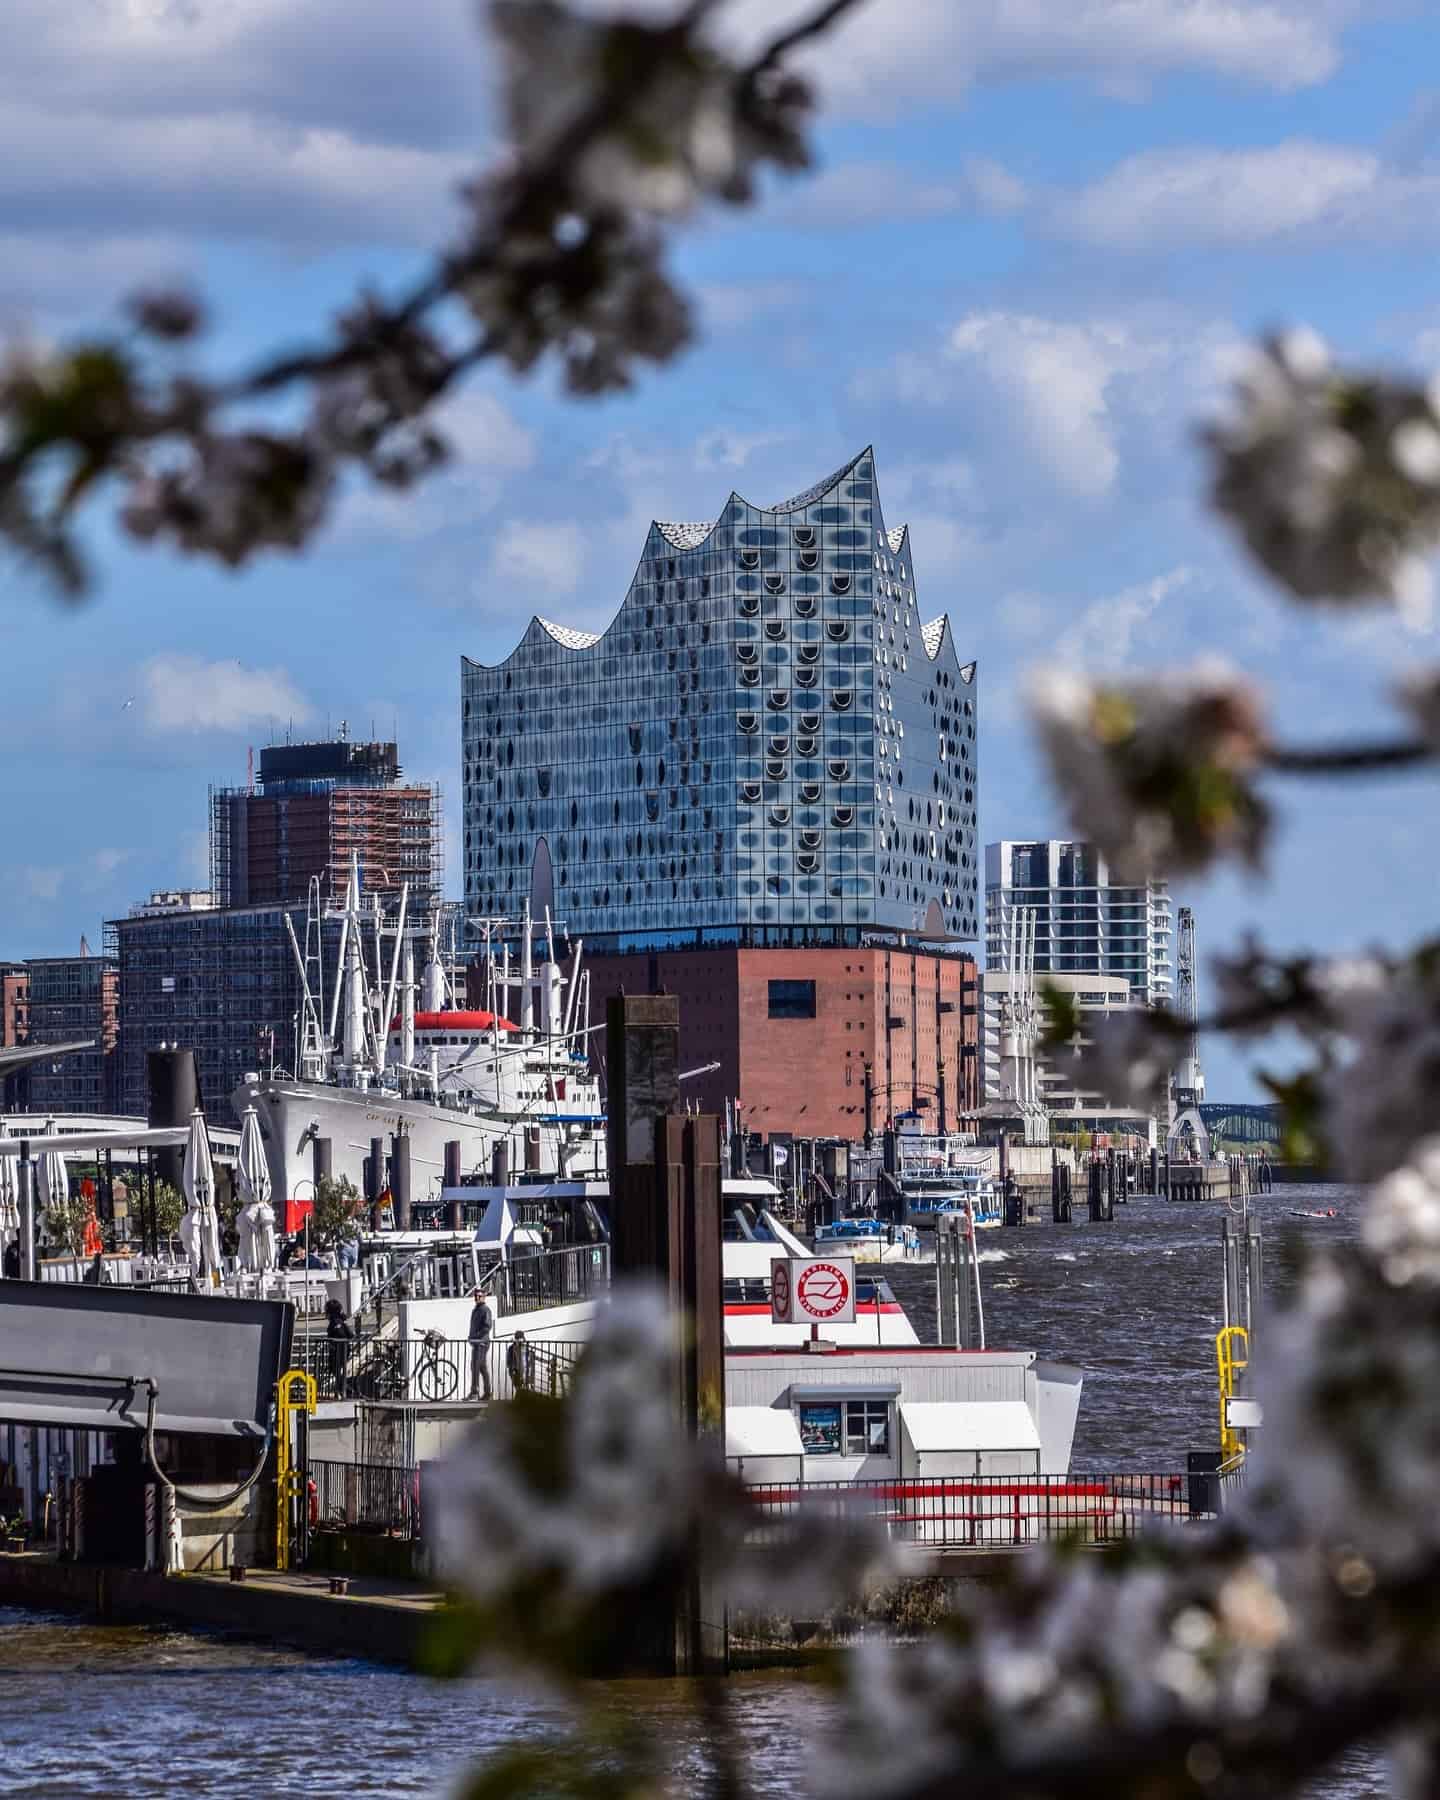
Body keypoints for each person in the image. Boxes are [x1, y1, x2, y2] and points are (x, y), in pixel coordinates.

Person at [467, 1286, 493, 1401]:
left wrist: (475, 1336)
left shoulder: (485, 1310)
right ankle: (487, 1392)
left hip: (481, 1342)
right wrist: (471, 1337)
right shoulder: (476, 1310)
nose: (477, 1298)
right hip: (477, 1342)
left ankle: (475, 1392)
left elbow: (487, 1326)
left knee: (475, 1366)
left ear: (483, 1297)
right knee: (481, 1367)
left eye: (479, 1296)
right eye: (475, 1296)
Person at [324, 1297, 354, 1397]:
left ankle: (345, 1389)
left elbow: (342, 1334)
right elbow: (350, 1335)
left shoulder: (336, 1322)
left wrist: (334, 1341)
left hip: (339, 1351)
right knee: (335, 1371)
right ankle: (342, 1389)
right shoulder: (339, 1321)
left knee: (336, 1370)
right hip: (341, 1350)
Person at [506, 1329, 534, 1394]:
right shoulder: (512, 1348)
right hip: (516, 1370)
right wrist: (512, 1369)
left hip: (521, 1370)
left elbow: (528, 1357)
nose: (521, 1340)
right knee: (519, 1386)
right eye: (519, 1339)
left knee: (521, 1387)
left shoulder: (524, 1347)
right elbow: (509, 1360)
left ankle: (521, 1396)